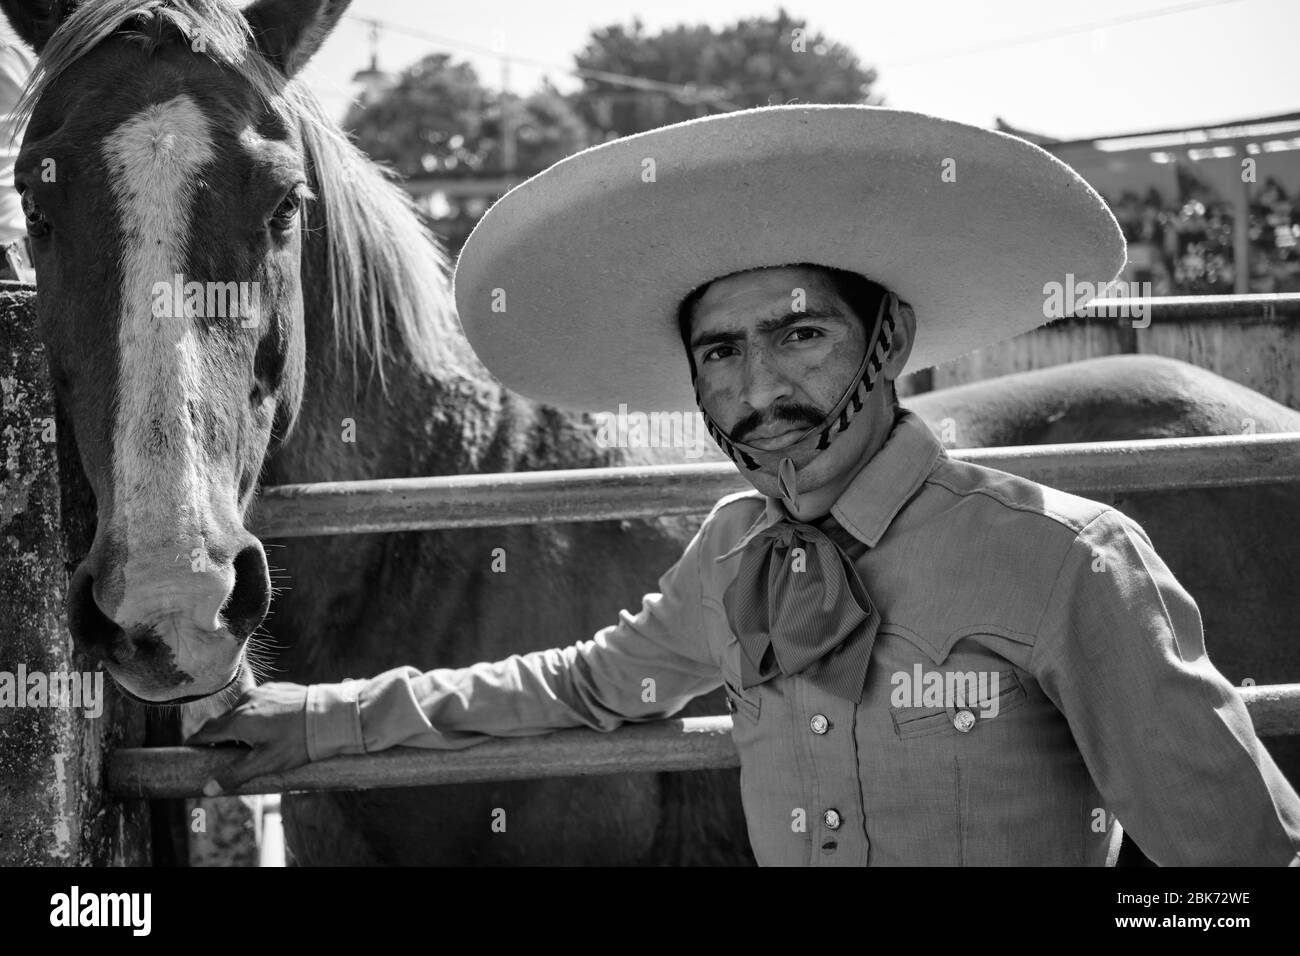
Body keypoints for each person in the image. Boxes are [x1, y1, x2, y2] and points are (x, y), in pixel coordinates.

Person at [190, 104, 1300, 866]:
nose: (760, 387)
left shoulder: (1072, 559)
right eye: (720, 352)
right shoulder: (731, 553)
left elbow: (1244, 857)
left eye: (801, 332)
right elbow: (572, 685)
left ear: (890, 335)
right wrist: (313, 719)